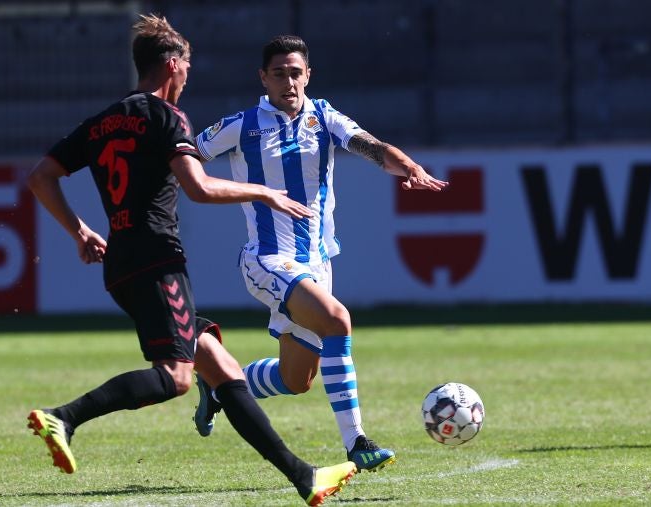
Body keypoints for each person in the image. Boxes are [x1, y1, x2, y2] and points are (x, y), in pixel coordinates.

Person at [25, 16, 356, 506]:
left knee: (221, 368)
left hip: (122, 262)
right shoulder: (167, 117)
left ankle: (304, 476)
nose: (187, 79)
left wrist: (79, 232)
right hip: (157, 259)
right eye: (186, 69)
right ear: (173, 66)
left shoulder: (103, 121)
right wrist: (263, 192)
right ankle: (64, 417)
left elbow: (40, 176)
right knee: (176, 377)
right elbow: (197, 187)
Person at [192, 35, 449, 473]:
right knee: (337, 320)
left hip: (316, 264)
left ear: (308, 75)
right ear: (263, 78)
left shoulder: (324, 117)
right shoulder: (241, 125)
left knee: (296, 379)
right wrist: (229, 190)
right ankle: (357, 443)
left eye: (295, 73)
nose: (288, 82)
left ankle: (217, 383)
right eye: (279, 74)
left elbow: (371, 146)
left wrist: (409, 167)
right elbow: (187, 159)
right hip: (267, 259)